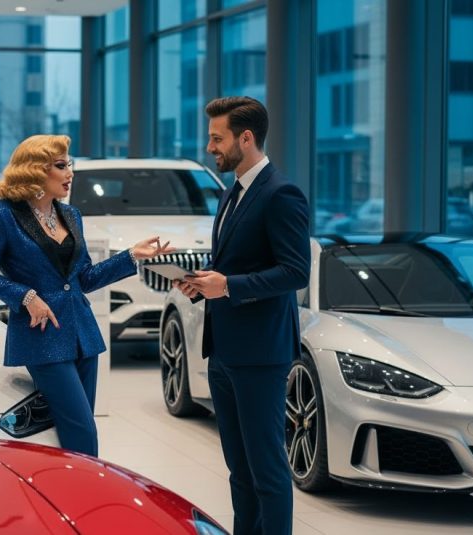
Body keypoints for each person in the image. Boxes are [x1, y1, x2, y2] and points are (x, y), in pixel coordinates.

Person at [0, 134, 172, 457]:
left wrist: (131, 256)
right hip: (42, 336)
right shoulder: (1, 215)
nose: (70, 173)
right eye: (61, 166)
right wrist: (26, 296)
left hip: (82, 335)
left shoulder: (71, 215)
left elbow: (84, 279)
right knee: (81, 428)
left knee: (73, 427)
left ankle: (66, 492)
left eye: (70, 165)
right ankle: (89, 498)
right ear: (35, 170)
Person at [174, 97, 310, 535]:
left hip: (260, 355)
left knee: (268, 471)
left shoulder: (280, 193)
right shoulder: (233, 190)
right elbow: (236, 263)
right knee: (239, 470)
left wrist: (229, 286)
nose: (210, 146)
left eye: (218, 138)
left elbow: (295, 271)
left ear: (245, 138)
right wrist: (203, 283)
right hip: (225, 350)